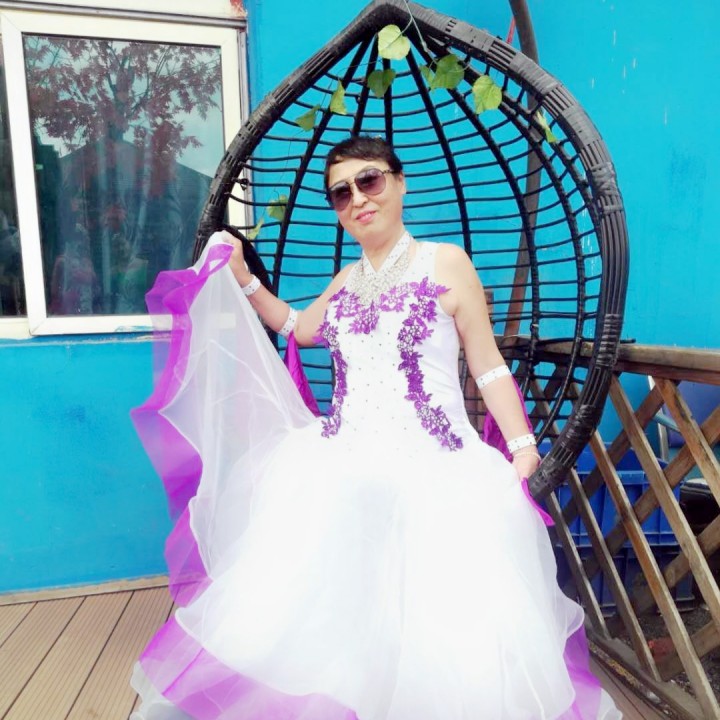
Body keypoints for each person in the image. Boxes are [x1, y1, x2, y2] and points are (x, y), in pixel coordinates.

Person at [130, 136, 620, 719]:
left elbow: (486, 365)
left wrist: (522, 447)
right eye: (341, 193)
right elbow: (297, 327)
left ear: (399, 182)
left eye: (369, 180)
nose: (358, 199)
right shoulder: (345, 281)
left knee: (443, 626)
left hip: (436, 464)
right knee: (322, 614)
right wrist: (242, 277)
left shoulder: (446, 263)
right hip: (345, 459)